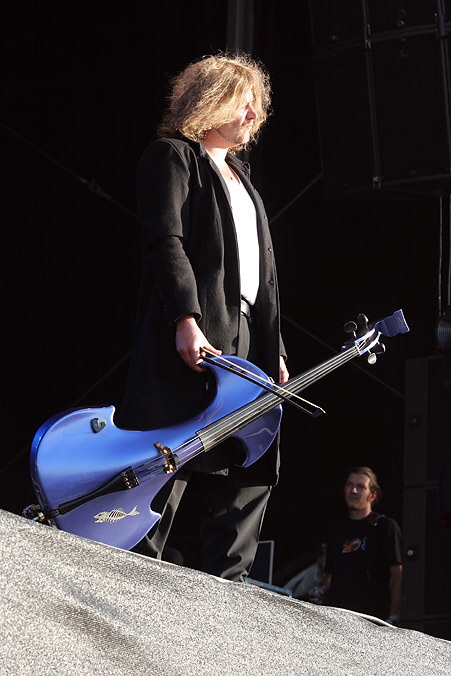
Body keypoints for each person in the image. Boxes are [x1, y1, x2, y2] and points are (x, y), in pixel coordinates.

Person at [116, 52, 289, 582]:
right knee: (173, 448)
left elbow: (263, 274)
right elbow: (165, 241)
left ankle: (228, 590)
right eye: (244, 103)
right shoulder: (173, 157)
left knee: (249, 456)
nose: (255, 115)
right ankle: (133, 575)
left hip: (250, 334)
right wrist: (185, 319)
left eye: (257, 105)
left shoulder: (242, 178)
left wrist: (275, 347)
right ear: (211, 102)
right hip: (199, 323)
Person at [323, 466, 403, 624]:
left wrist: (394, 616)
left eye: (360, 487)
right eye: (349, 485)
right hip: (337, 618)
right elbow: (328, 575)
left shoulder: (385, 526)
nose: (353, 490)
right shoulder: (335, 529)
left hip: (372, 619)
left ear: (372, 495)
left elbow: (397, 574)